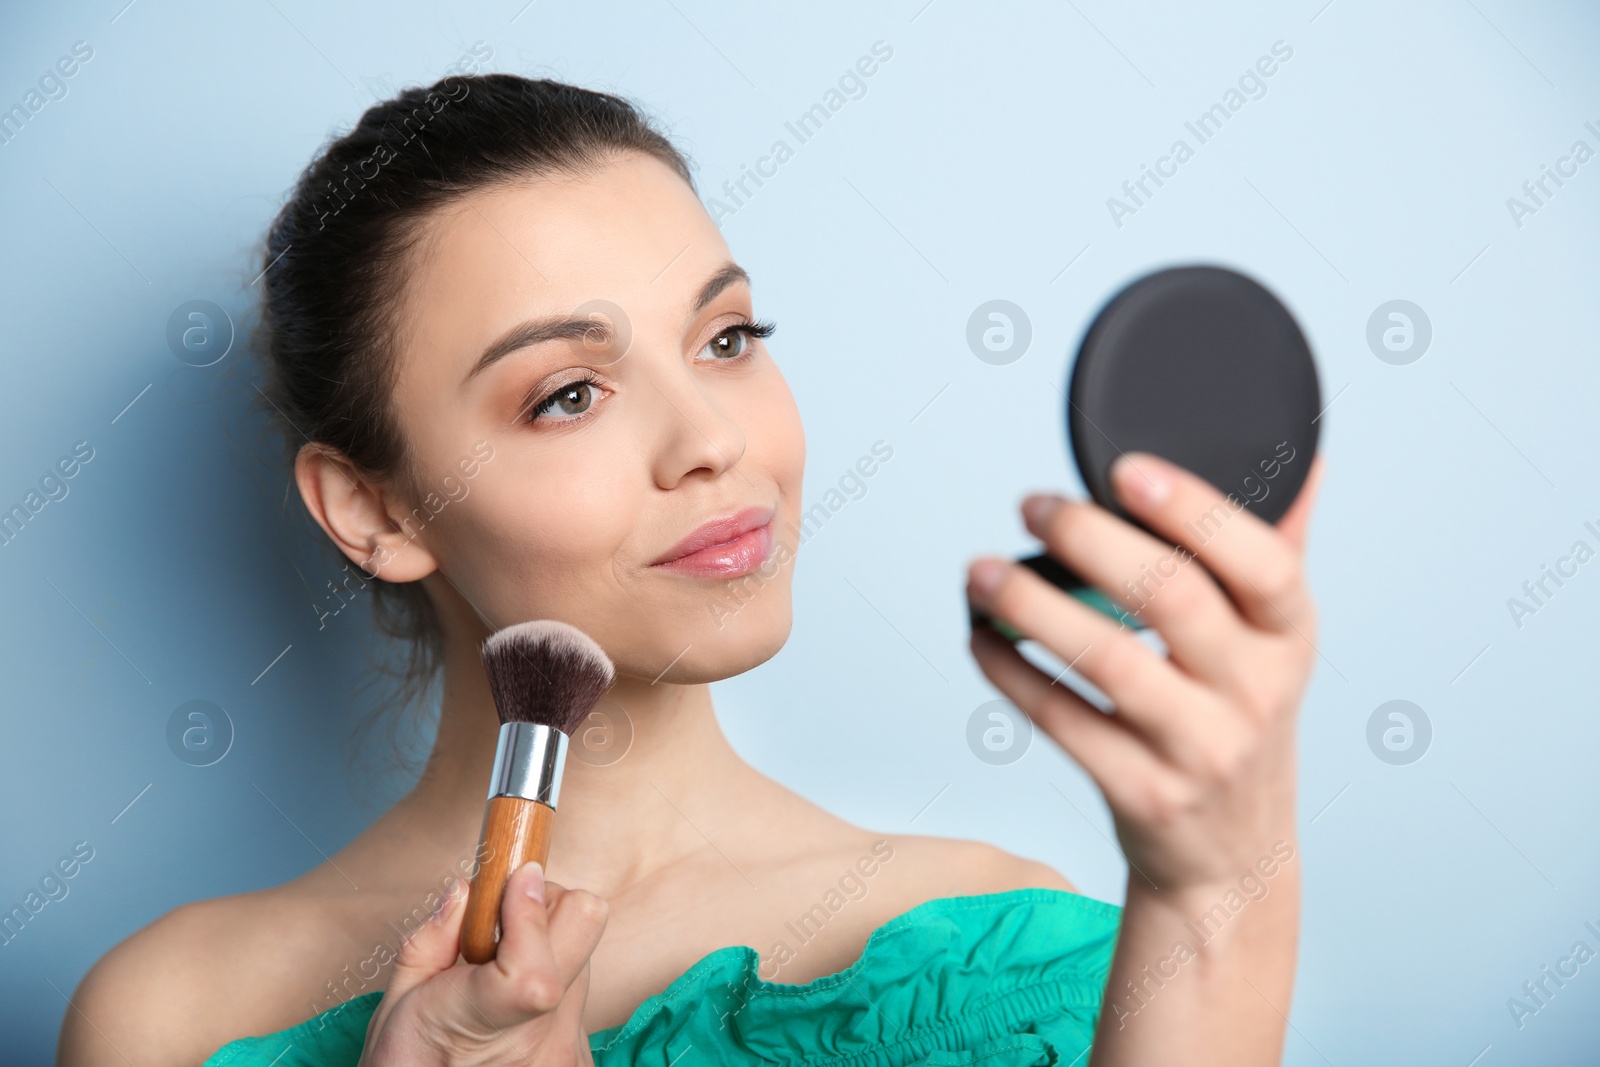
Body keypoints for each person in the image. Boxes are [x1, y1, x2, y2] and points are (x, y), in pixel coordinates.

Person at [58, 73, 1324, 1067]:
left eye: (726, 338)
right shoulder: (174, 1017)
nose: (712, 440)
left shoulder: (1022, 969)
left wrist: (1227, 884)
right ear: (375, 509)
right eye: (568, 393)